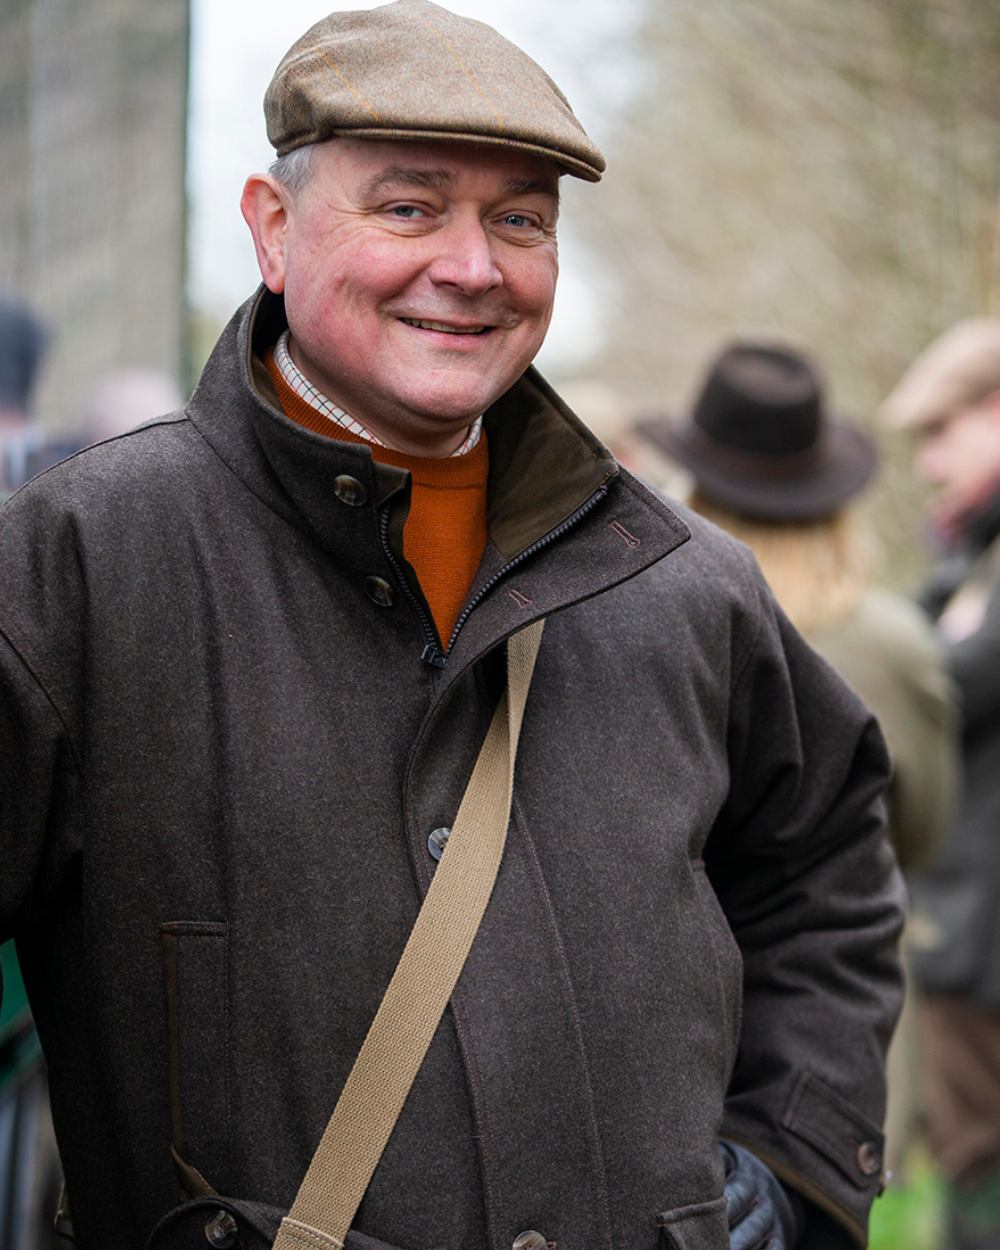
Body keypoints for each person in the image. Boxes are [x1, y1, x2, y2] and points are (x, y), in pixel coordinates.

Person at [0, 4, 903, 1249]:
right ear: (272, 228)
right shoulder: (74, 567)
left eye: (520, 218)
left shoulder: (692, 588)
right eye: (409, 206)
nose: (474, 266)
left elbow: (827, 871)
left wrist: (790, 1152)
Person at [638, 341, 959, 1180]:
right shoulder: (890, 644)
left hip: (662, 1020)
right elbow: (922, 830)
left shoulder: (637, 623)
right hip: (833, 1022)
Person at [881, 319, 1000, 1250]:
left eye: (944, 432)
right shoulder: (966, 560)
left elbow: (942, 685)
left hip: (984, 939)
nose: (928, 464)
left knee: (977, 1167)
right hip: (966, 934)